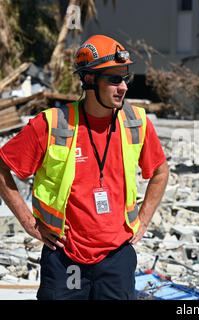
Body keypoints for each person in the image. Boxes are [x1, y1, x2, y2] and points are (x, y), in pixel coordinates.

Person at [0, 34, 169, 300]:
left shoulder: (135, 122)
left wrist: (144, 219)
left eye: (125, 78)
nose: (123, 87)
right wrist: (27, 221)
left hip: (116, 258)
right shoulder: (52, 124)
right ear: (89, 80)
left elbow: (160, 170)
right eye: (113, 79)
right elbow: (2, 168)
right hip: (64, 257)